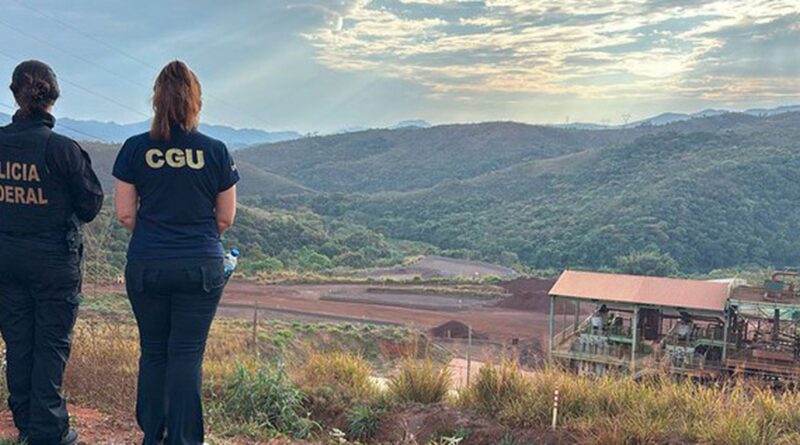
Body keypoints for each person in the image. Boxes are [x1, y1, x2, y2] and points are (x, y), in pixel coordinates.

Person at [113, 60, 239, 445]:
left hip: (147, 266)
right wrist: (193, 238)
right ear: (195, 101)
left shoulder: (135, 148)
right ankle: (184, 439)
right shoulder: (215, 151)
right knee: (186, 355)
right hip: (199, 267)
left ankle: (154, 434)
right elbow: (225, 218)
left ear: (156, 100)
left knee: (153, 352)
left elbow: (124, 213)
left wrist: (153, 235)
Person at [0, 60, 104, 445]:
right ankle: (48, 431)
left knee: (18, 341)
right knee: (51, 344)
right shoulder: (62, 149)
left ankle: (27, 422)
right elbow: (91, 204)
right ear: (53, 99)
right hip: (53, 262)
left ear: (14, 94)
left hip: (6, 259)